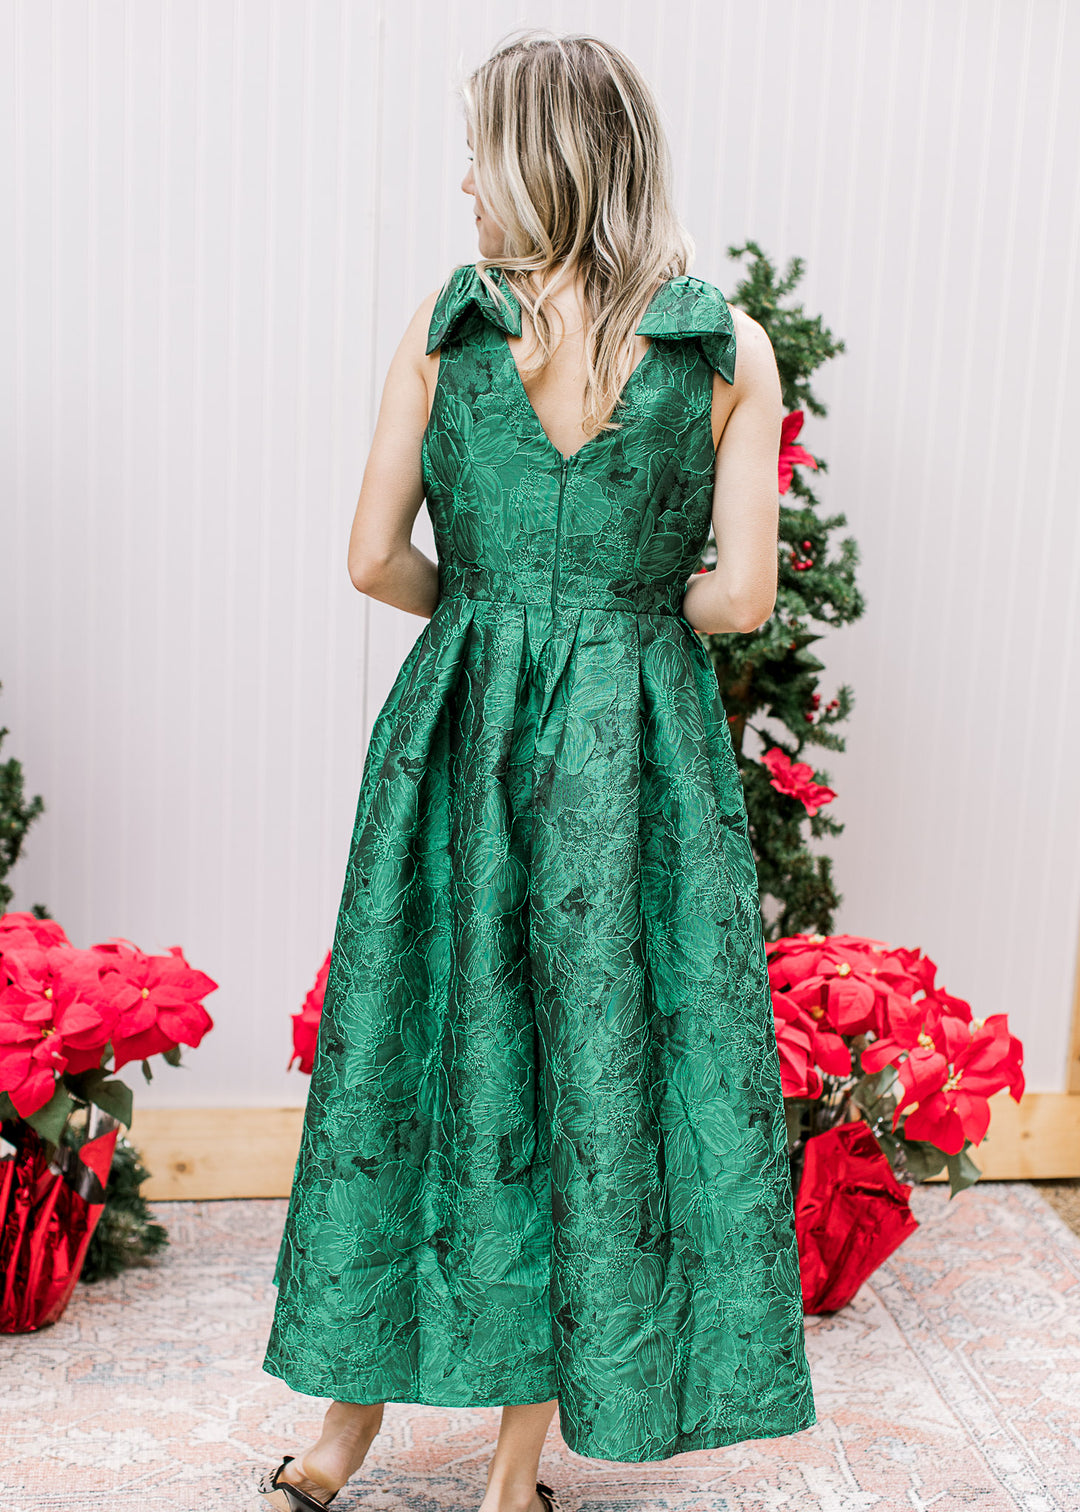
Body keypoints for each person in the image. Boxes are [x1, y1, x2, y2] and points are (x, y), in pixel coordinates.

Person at [256, 28, 816, 1512]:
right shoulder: (724, 348)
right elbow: (745, 598)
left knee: (422, 1051)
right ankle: (519, 1473)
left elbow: (375, 557)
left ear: (538, 166)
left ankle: (340, 1438)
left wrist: (494, 619)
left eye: (477, 153)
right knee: (596, 1070)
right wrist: (616, 622)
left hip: (465, 721)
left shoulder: (450, 331)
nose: (460, 181)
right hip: (633, 745)